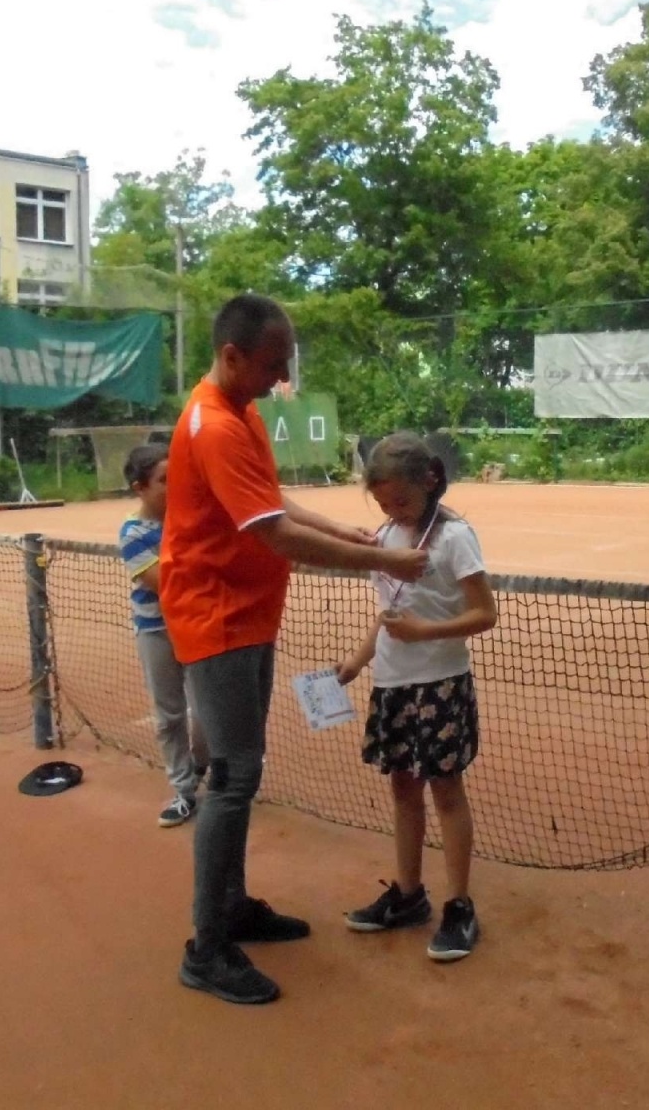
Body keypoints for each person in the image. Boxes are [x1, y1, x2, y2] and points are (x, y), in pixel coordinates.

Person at [161, 293, 429, 1006]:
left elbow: (272, 502)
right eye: (273, 364)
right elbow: (274, 536)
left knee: (240, 770)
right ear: (232, 357)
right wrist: (387, 563)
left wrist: (348, 533)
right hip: (213, 617)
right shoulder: (214, 424)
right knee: (235, 775)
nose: (281, 377)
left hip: (248, 613)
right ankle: (206, 946)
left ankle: (233, 906)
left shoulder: (241, 409)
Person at [336, 432, 497, 962]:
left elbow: (484, 615)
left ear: (428, 482)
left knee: (446, 792)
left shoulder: (455, 537)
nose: (391, 512)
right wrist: (359, 661)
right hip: (392, 684)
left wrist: (423, 633)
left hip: (441, 682)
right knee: (403, 791)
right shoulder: (384, 536)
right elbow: (389, 613)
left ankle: (459, 906)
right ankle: (407, 895)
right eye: (383, 504)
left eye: (400, 502)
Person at [119, 442, 208, 828]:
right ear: (140, 487)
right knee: (169, 715)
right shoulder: (133, 532)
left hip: (198, 628)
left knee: (207, 713)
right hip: (156, 631)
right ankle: (183, 790)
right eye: (163, 481)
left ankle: (204, 765)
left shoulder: (191, 519)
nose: (173, 488)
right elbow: (166, 584)